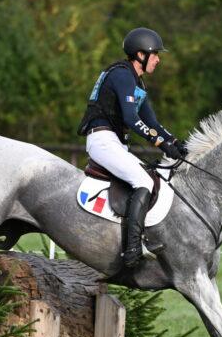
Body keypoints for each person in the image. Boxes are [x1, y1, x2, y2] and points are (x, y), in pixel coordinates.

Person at [77, 27, 188, 267]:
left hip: (114, 142)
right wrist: (159, 143)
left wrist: (175, 142)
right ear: (140, 54)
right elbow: (130, 119)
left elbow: (152, 122)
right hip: (102, 140)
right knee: (145, 182)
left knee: (153, 177)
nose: (158, 60)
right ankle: (133, 250)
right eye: (155, 54)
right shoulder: (121, 75)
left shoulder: (137, 82)